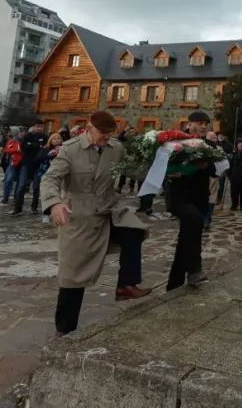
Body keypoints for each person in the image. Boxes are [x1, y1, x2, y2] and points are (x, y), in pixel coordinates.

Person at [40, 111, 151, 336]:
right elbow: (50, 178)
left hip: (109, 209)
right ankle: (65, 329)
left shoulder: (116, 148)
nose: (106, 137)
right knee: (73, 275)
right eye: (102, 133)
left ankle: (126, 285)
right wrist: (54, 203)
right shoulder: (70, 149)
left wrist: (164, 165)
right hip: (79, 215)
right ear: (89, 129)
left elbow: (132, 170)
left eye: (110, 133)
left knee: (134, 231)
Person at [165, 111, 219, 290]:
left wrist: (206, 165)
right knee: (194, 220)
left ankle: (174, 284)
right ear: (189, 124)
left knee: (185, 240)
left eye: (206, 124)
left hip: (199, 198)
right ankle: (195, 269)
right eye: (199, 123)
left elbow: (214, 171)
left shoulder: (209, 145)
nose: (203, 126)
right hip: (179, 197)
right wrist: (171, 173)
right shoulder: (177, 142)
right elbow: (163, 165)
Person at [13, 120, 48, 215]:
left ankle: (34, 207)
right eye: (37, 126)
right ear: (33, 127)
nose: (39, 128)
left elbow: (44, 148)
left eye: (41, 126)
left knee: (36, 187)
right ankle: (18, 207)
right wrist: (36, 146)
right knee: (22, 186)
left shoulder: (44, 137)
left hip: (38, 165)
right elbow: (23, 147)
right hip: (26, 164)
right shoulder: (27, 136)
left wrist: (31, 145)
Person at [229, 140, 242, 211]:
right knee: (234, 191)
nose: (241, 146)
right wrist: (229, 174)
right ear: (237, 146)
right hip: (234, 175)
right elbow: (229, 165)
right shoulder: (233, 154)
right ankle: (234, 205)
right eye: (240, 145)